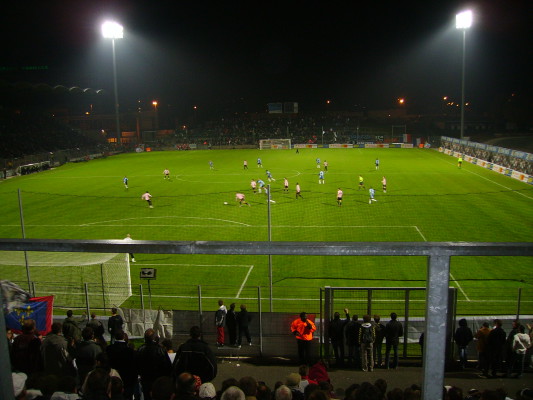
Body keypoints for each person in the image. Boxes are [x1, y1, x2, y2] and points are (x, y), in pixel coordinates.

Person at [136, 328, 172, 400]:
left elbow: (137, 365)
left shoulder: (140, 349)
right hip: (157, 379)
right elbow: (167, 366)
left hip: (146, 378)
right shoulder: (160, 350)